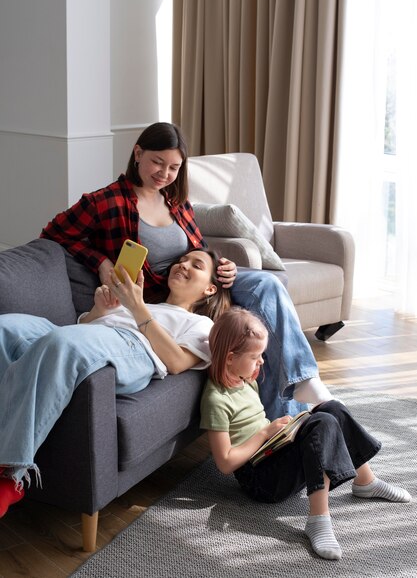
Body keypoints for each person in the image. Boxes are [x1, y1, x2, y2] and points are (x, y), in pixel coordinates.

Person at [41, 121, 333, 420]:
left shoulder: (176, 202)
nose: (164, 174)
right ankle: (291, 412)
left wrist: (222, 266)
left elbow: (199, 249)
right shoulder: (105, 202)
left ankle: (300, 387)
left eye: (174, 167)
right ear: (138, 153)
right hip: (164, 291)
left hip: (197, 279)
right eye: (157, 162)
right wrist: (100, 261)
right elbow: (53, 234)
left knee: (266, 286)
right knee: (261, 297)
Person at [0, 248, 230, 519]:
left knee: (61, 345)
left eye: (196, 265)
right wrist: (100, 310)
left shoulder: (201, 323)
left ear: (210, 289)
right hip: (81, 337)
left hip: (134, 349)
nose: (183, 265)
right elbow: (82, 329)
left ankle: (8, 473)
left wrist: (136, 307)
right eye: (181, 260)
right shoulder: (144, 303)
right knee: (7, 327)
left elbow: (177, 362)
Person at [200, 307, 411, 561]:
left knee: (331, 408)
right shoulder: (215, 399)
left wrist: (283, 431)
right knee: (320, 424)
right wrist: (266, 433)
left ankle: (365, 482)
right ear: (231, 358)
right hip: (259, 480)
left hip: (273, 454)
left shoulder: (245, 380)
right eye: (256, 356)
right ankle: (318, 520)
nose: (262, 361)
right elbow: (224, 462)